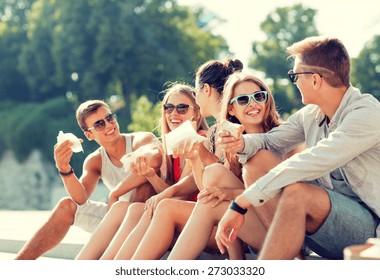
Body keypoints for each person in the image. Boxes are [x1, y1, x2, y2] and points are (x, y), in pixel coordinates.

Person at [216, 36, 380, 260]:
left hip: (371, 233)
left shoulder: (366, 114)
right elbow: (271, 140)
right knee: (257, 161)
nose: (294, 81)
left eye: (295, 76)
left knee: (298, 192)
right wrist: (241, 143)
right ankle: (293, 258)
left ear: (314, 80)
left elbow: (313, 160)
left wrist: (241, 203)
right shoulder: (312, 114)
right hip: (325, 224)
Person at [126, 59, 245, 260]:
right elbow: (208, 189)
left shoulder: (233, 129)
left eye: (196, 92)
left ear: (205, 90)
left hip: (242, 220)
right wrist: (197, 160)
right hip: (221, 214)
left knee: (164, 207)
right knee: (147, 208)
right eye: (168, 108)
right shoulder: (217, 131)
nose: (196, 96)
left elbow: (219, 184)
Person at [167, 71, 292, 259]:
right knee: (213, 179)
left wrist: (231, 194)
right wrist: (195, 158)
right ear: (231, 110)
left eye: (258, 96)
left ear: (267, 101)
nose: (252, 104)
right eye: (243, 100)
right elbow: (209, 190)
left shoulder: (283, 135)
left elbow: (287, 196)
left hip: (285, 228)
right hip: (253, 227)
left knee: (212, 190)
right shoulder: (233, 144)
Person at [75, 83, 209, 259]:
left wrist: (118, 191)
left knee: (141, 210)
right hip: (174, 212)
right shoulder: (173, 145)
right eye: (168, 108)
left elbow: (178, 198)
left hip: (198, 219)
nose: (173, 114)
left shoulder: (200, 140)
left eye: (182, 108)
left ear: (196, 113)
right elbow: (168, 196)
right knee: (126, 208)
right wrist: (151, 175)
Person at [15, 100, 161, 260]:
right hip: (116, 217)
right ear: (89, 135)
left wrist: (116, 192)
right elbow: (81, 199)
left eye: (110, 118)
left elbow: (154, 156)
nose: (108, 125)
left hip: (146, 216)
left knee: (143, 185)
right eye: (99, 124)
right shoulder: (95, 160)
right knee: (66, 206)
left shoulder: (139, 140)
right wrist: (64, 168)